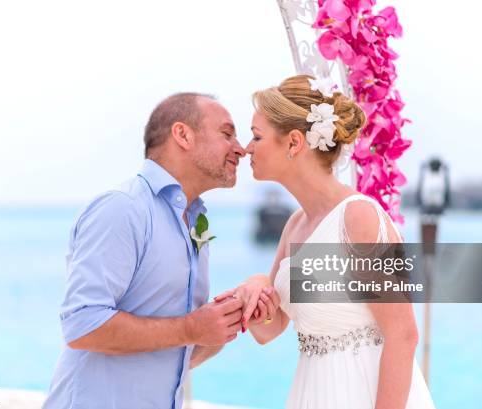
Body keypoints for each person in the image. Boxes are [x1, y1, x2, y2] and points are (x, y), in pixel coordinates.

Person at [216, 75, 436, 409]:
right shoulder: (295, 225)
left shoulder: (358, 218)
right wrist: (255, 287)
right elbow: (269, 329)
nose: (246, 148)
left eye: (257, 136)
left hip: (365, 392)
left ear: (293, 143)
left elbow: (403, 335)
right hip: (314, 392)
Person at [43, 92, 246, 409]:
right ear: (183, 135)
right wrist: (192, 327)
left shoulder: (193, 221)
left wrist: (227, 320)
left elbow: (177, 353)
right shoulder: (123, 208)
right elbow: (83, 325)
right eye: (227, 133)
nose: (241, 148)